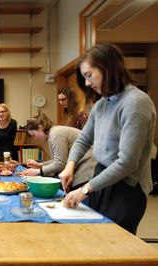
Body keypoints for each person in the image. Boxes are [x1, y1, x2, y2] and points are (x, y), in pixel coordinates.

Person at [59, 44, 156, 240]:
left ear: (108, 69)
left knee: (110, 253)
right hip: (101, 179)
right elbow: (84, 139)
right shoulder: (103, 103)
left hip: (126, 188)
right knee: (91, 243)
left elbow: (127, 162)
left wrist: (85, 189)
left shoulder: (135, 103)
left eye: (89, 75)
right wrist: (69, 166)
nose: (86, 83)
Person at [20, 112, 95, 190]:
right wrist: (40, 165)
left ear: (40, 127)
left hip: (86, 169)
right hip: (84, 167)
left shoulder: (55, 134)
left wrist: (37, 171)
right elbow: (59, 160)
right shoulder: (54, 132)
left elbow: (60, 164)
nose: (35, 138)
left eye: (34, 135)